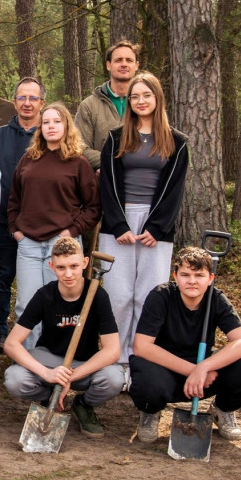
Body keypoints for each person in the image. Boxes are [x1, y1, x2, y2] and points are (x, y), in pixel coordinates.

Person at [130, 247, 241, 443]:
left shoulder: (215, 298)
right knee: (147, 384)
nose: (192, 281)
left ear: (210, 278)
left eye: (199, 275)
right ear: (175, 275)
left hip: (204, 371)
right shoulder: (161, 296)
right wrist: (192, 370)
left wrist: (204, 367)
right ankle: (150, 411)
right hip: (164, 367)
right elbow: (142, 346)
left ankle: (222, 409)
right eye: (185, 274)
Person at [99, 73, 188, 369]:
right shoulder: (115, 138)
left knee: (149, 293)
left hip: (155, 225)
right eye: (135, 97)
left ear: (157, 98)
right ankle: (117, 357)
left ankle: (141, 357)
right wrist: (120, 225)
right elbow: (108, 185)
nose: (140, 101)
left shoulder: (177, 142)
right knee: (119, 293)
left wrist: (156, 228)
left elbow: (175, 189)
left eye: (146, 96)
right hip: (120, 223)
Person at [3, 237, 123, 437]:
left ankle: (83, 405)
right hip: (50, 361)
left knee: (114, 378)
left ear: (85, 263)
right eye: (61, 267)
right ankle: (50, 396)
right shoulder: (45, 295)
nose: (68, 274)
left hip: (84, 365)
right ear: (51, 267)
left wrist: (70, 377)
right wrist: (48, 374)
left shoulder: (98, 296)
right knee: (15, 379)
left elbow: (113, 350)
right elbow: (11, 344)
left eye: (74, 266)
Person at [7, 103, 100, 345]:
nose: (51, 126)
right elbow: (14, 199)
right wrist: (16, 231)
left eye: (57, 122)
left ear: (67, 126)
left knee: (58, 305)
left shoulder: (78, 163)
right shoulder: (29, 159)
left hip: (62, 245)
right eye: (46, 122)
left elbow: (93, 208)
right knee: (26, 304)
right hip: (28, 243)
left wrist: (69, 233)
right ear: (40, 127)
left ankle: (54, 358)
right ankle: (28, 363)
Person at [0, 77, 46, 346]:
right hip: (2, 221)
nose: (27, 103)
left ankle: (38, 335)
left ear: (42, 103)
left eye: (33, 98)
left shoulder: (48, 135)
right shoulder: (0, 135)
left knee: (36, 282)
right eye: (22, 97)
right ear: (14, 102)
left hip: (38, 224)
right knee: (0, 276)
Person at [75, 40, 140, 170]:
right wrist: (114, 163)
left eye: (129, 60)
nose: (124, 64)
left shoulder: (145, 104)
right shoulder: (89, 105)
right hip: (101, 183)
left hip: (139, 181)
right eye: (118, 60)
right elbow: (80, 147)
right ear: (108, 65)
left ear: (136, 65)